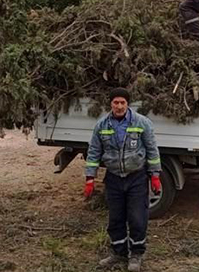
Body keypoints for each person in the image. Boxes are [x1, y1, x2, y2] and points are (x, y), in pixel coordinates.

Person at [84, 88, 162, 272]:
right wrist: (89, 178)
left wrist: (155, 176)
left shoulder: (142, 123)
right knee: (116, 218)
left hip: (137, 178)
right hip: (113, 179)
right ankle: (118, 252)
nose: (119, 106)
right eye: (115, 102)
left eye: (122, 103)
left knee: (137, 218)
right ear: (110, 104)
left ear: (128, 104)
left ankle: (136, 254)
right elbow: (94, 153)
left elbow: (152, 150)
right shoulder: (102, 126)